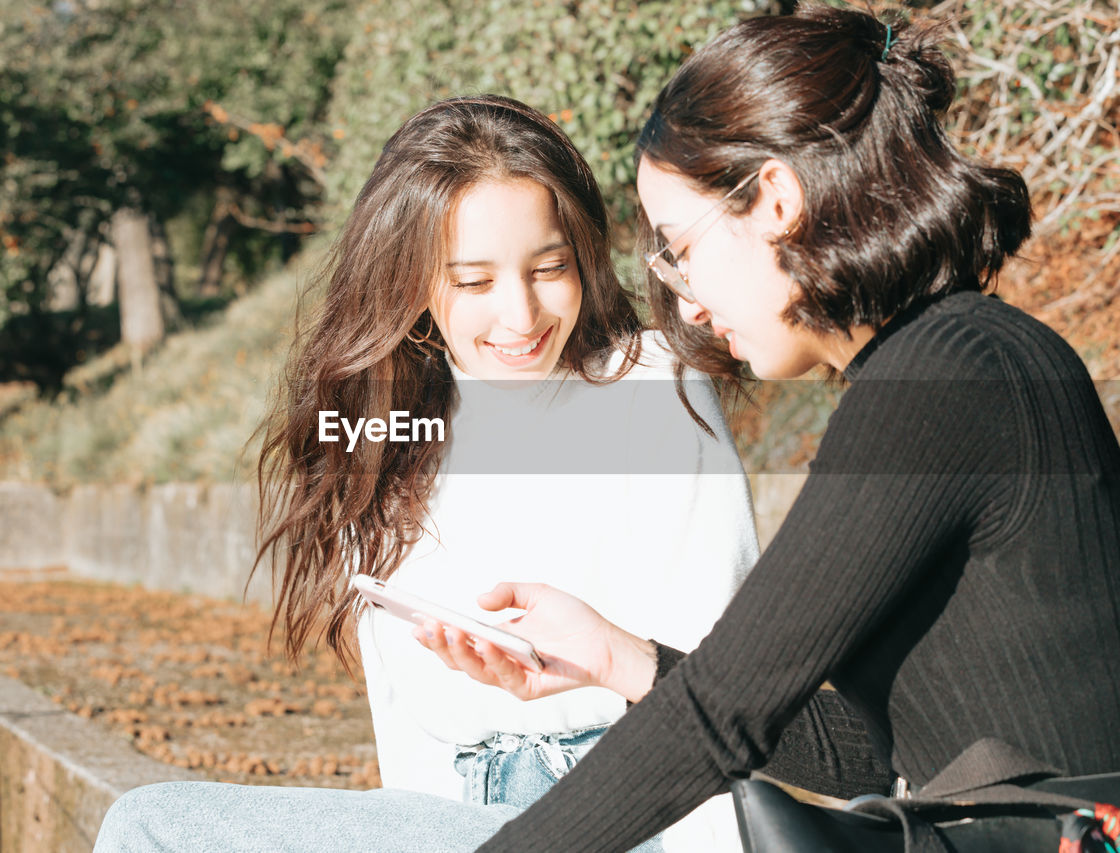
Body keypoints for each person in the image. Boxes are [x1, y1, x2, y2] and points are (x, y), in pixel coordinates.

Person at [409, 6, 1120, 851]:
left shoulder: (940, 381)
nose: (684, 297)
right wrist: (617, 657)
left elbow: (720, 717)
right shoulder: (961, 362)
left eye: (679, 245)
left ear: (775, 201)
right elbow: (876, 752)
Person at [93, 95, 758, 852]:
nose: (521, 314)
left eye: (550, 268)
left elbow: (722, 681)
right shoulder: (387, 430)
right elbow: (410, 740)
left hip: (632, 816)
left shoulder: (651, 386)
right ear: (413, 282)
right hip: (457, 817)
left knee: (148, 827)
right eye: (474, 282)